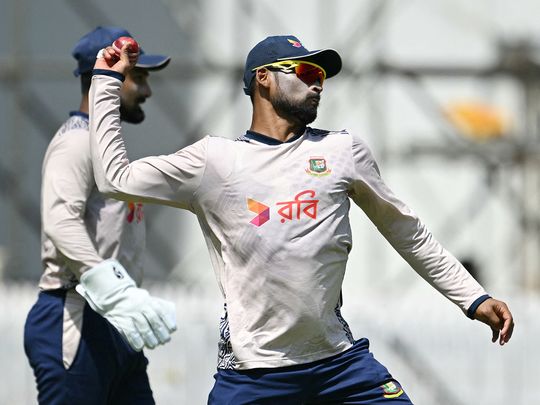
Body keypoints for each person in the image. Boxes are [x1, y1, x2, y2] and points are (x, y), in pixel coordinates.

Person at [89, 35, 514, 404]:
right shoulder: (214, 161)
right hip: (254, 371)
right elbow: (114, 178)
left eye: (322, 76)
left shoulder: (343, 151)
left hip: (339, 364)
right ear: (263, 78)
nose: (317, 83)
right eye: (306, 70)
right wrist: (107, 84)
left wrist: (472, 298)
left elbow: (408, 233)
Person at [23, 26, 177, 405]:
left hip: (113, 318)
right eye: (137, 77)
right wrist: (113, 289)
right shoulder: (76, 141)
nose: (146, 91)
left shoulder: (101, 142)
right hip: (76, 315)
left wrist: (121, 299)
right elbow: (61, 222)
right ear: (103, 76)